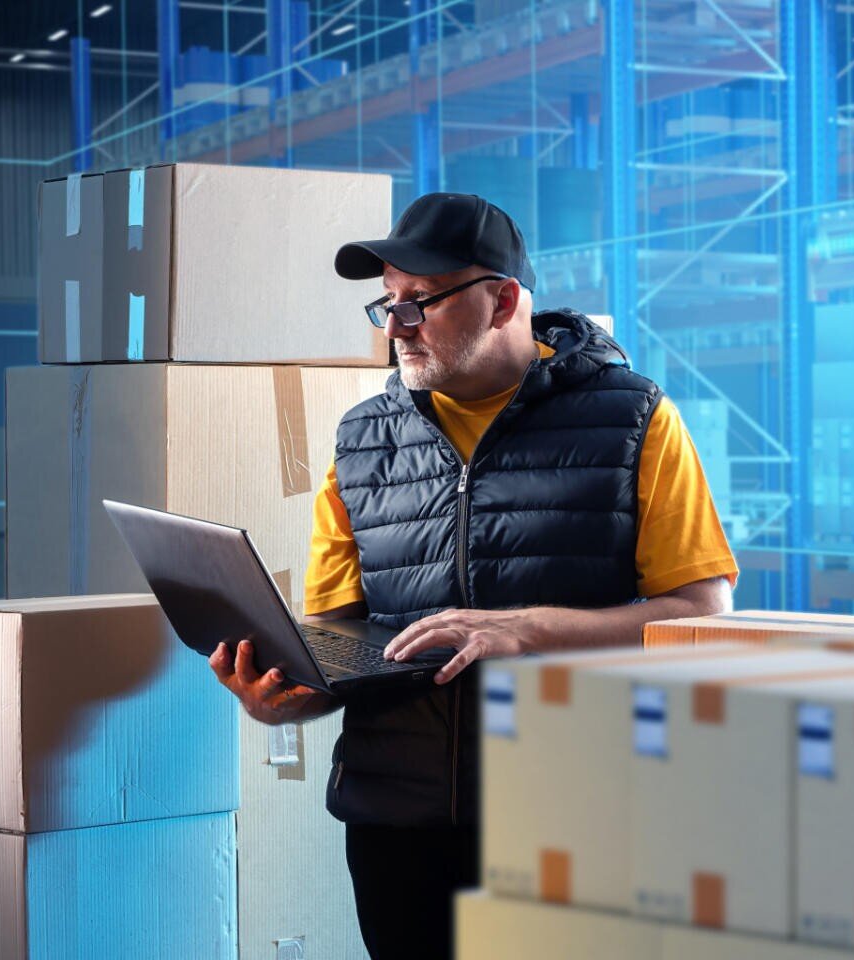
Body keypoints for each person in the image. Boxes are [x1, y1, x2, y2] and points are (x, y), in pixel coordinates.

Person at [204, 193, 738, 959]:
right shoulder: (362, 441)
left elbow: (705, 614)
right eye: (386, 304)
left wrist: (526, 630)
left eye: (420, 302)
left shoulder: (634, 419)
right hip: (395, 827)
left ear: (504, 300)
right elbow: (337, 637)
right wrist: (280, 698)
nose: (395, 328)